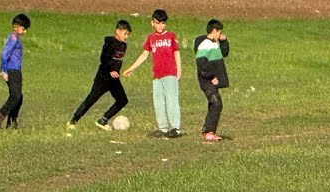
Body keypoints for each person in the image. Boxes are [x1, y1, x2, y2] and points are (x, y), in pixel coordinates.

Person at [121, 9, 183, 138]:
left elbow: (176, 52)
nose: (160, 26)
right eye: (157, 23)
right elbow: (145, 54)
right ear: (152, 23)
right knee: (158, 101)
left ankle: (175, 128)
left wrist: (179, 69)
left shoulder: (171, 36)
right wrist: (131, 68)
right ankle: (163, 128)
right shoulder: (151, 38)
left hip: (170, 73)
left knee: (171, 100)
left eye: (162, 23)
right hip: (157, 75)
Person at [69, 19, 132, 130]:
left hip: (114, 79)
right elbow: (104, 59)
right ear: (117, 31)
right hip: (103, 77)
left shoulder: (123, 45)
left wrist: (117, 71)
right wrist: (111, 70)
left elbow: (118, 61)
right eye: (124, 33)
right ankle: (73, 120)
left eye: (128, 34)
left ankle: (103, 120)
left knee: (122, 100)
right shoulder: (109, 42)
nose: (126, 36)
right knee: (91, 99)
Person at [0, 13, 30, 129]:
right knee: (16, 96)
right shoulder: (13, 38)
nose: (25, 31)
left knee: (18, 97)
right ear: (16, 26)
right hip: (12, 70)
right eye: (23, 28)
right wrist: (3, 70)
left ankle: (12, 122)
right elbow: (4, 54)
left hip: (15, 70)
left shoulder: (14, 38)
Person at [194, 18, 230, 143]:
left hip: (210, 80)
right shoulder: (205, 44)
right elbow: (201, 64)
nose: (220, 34)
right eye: (219, 32)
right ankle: (208, 132)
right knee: (217, 104)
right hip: (207, 80)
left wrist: (224, 41)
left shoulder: (214, 43)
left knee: (213, 104)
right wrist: (211, 77)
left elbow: (224, 53)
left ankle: (208, 130)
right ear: (214, 31)